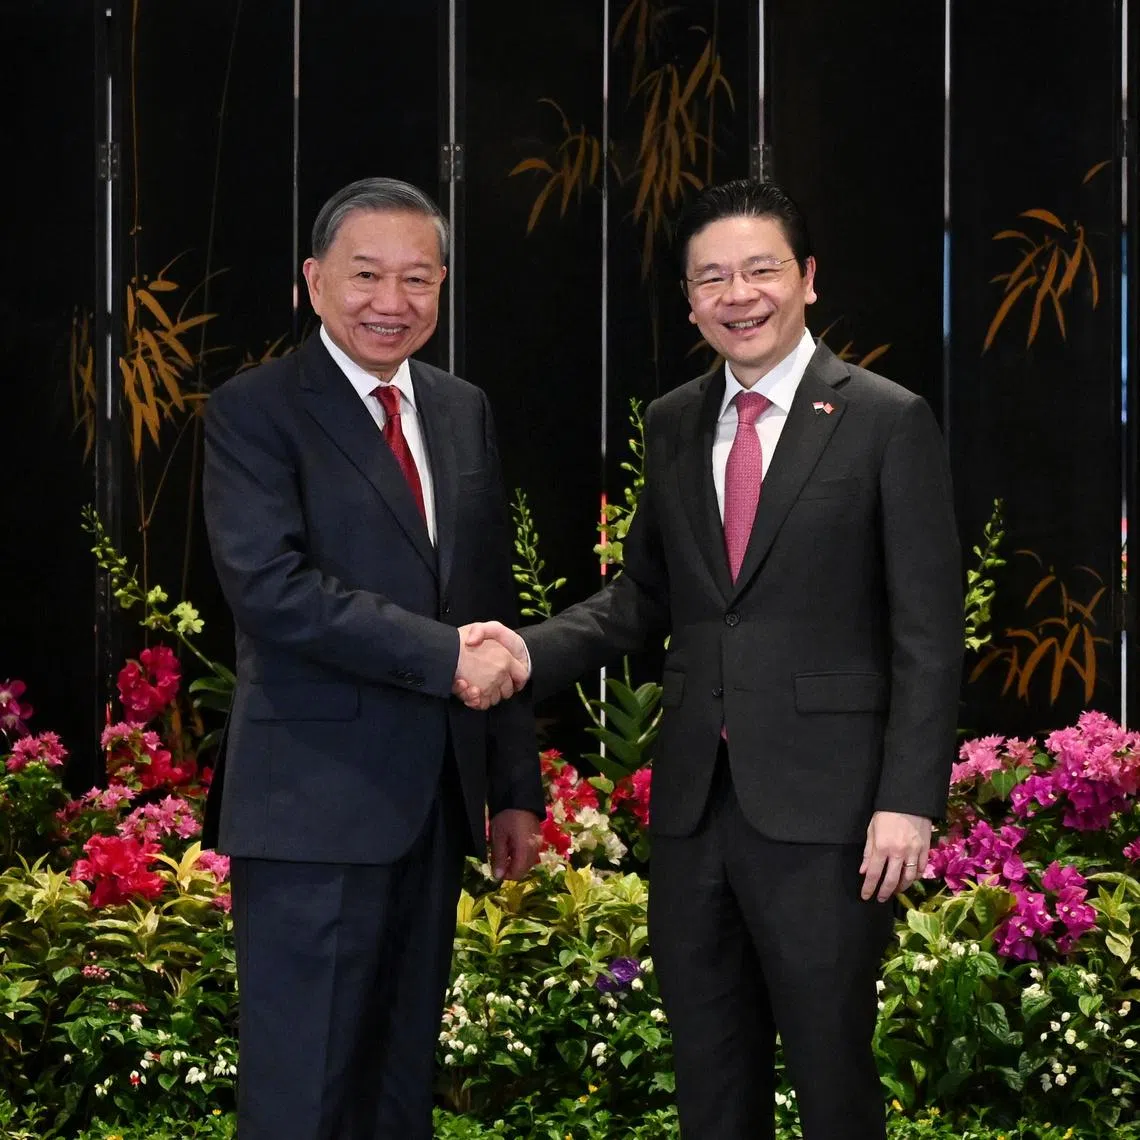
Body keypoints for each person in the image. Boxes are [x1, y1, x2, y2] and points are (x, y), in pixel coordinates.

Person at [461, 179, 963, 1139]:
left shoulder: (886, 419)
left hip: (830, 813)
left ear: (807, 278)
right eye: (712, 278)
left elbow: (928, 635)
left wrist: (908, 800)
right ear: (690, 301)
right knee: (710, 1076)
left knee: (832, 1076)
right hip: (695, 809)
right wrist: (523, 650)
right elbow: (644, 596)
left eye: (760, 270)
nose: (739, 295)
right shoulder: (674, 420)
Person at [201, 177, 542, 1140]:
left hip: (434, 806)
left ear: (441, 288)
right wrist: (443, 657)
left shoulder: (462, 409)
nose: (392, 301)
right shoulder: (255, 410)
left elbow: (490, 607)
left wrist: (512, 786)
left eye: (417, 278)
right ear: (313, 281)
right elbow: (272, 589)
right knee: (302, 1096)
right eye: (365, 275)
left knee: (400, 1091)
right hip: (312, 808)